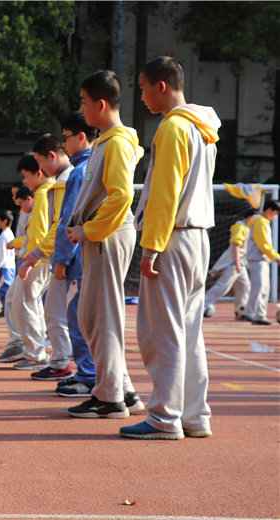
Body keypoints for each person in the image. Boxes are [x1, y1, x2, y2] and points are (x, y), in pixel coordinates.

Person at [122, 56, 221, 440]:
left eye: (144, 87)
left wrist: (151, 248)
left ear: (161, 86)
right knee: (189, 331)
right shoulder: (204, 128)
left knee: (162, 331)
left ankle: (164, 416)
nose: (143, 96)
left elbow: (164, 194)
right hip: (199, 237)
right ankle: (195, 415)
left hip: (174, 236)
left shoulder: (173, 128)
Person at [66, 70, 145, 419]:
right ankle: (121, 390)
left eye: (84, 102)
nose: (81, 109)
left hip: (108, 236)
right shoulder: (107, 141)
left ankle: (110, 396)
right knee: (93, 315)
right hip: (103, 235)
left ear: (100, 104)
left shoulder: (116, 143)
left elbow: (121, 195)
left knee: (101, 315)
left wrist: (90, 230)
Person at [21, 133, 75, 381]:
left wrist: (40, 254)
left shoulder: (67, 181)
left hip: (66, 255)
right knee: (55, 312)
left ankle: (72, 365)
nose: (39, 170)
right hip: (57, 256)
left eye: (40, 163)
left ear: (51, 156)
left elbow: (61, 224)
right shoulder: (58, 183)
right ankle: (61, 361)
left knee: (69, 314)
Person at [52, 112, 98, 397]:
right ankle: (87, 371)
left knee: (79, 315)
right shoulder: (89, 166)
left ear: (81, 137)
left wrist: (61, 257)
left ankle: (89, 374)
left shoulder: (80, 172)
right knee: (82, 314)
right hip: (86, 253)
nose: (64, 144)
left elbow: (70, 218)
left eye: (66, 138)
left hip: (80, 255)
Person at [6, 155, 54, 370]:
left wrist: (32, 258)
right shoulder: (42, 193)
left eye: (26, 176)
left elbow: (42, 232)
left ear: (39, 173)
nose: (24, 182)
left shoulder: (44, 194)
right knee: (18, 301)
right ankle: (34, 349)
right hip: (36, 258)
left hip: (39, 260)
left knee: (25, 302)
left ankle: (37, 353)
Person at [0, 187, 34, 363]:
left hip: (35, 260)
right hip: (26, 260)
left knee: (25, 303)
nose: (13, 198)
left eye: (15, 195)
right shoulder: (25, 209)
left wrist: (17, 243)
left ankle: (32, 348)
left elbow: (36, 236)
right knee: (14, 300)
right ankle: (20, 342)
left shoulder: (39, 201)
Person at [203, 210, 255, 320]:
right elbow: (235, 245)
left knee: (245, 286)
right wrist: (236, 262)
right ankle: (203, 305)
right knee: (223, 286)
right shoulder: (240, 227)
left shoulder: (247, 228)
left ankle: (241, 310)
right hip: (234, 262)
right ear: (250, 217)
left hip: (240, 263)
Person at [245, 199, 280, 325]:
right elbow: (263, 244)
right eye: (275, 213)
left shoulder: (261, 221)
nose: (275, 216)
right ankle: (255, 314)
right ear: (269, 210)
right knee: (260, 287)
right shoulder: (260, 221)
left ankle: (255, 313)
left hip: (261, 259)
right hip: (257, 259)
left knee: (262, 287)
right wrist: (276, 257)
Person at [0, 210, 16, 318]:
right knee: (7, 287)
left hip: (5, 266)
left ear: (5, 221)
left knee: (4, 288)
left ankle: (7, 310)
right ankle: (6, 309)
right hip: (11, 265)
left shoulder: (3, 235)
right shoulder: (10, 233)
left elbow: (1, 253)